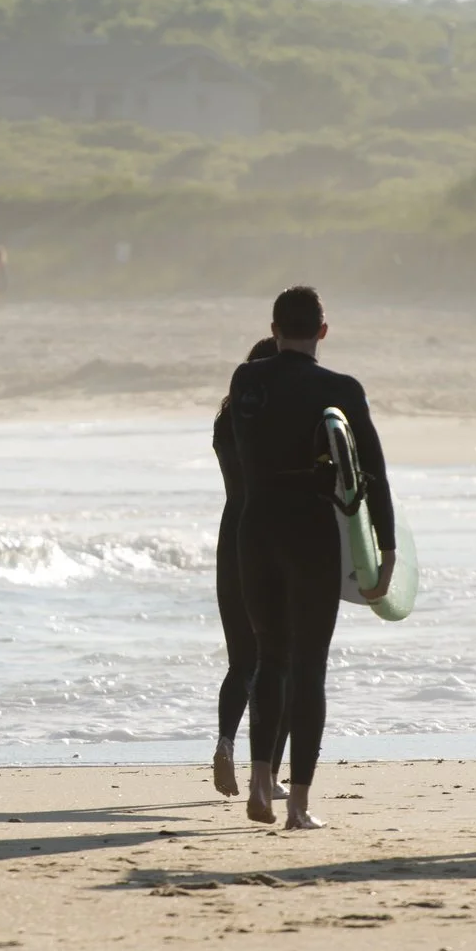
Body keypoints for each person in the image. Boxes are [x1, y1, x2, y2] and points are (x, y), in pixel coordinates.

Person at [227, 286, 394, 829]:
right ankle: (297, 805)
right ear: (323, 330)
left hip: (255, 533)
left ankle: (259, 783)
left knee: (269, 658)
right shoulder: (340, 389)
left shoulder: (246, 381)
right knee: (309, 667)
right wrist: (386, 550)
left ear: (273, 330)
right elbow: (372, 472)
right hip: (311, 535)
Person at [211, 336, 286, 800]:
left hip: (231, 540)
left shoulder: (225, 423)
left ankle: (225, 741)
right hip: (272, 542)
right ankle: (270, 774)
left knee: (241, 660)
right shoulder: (278, 425)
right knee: (281, 662)